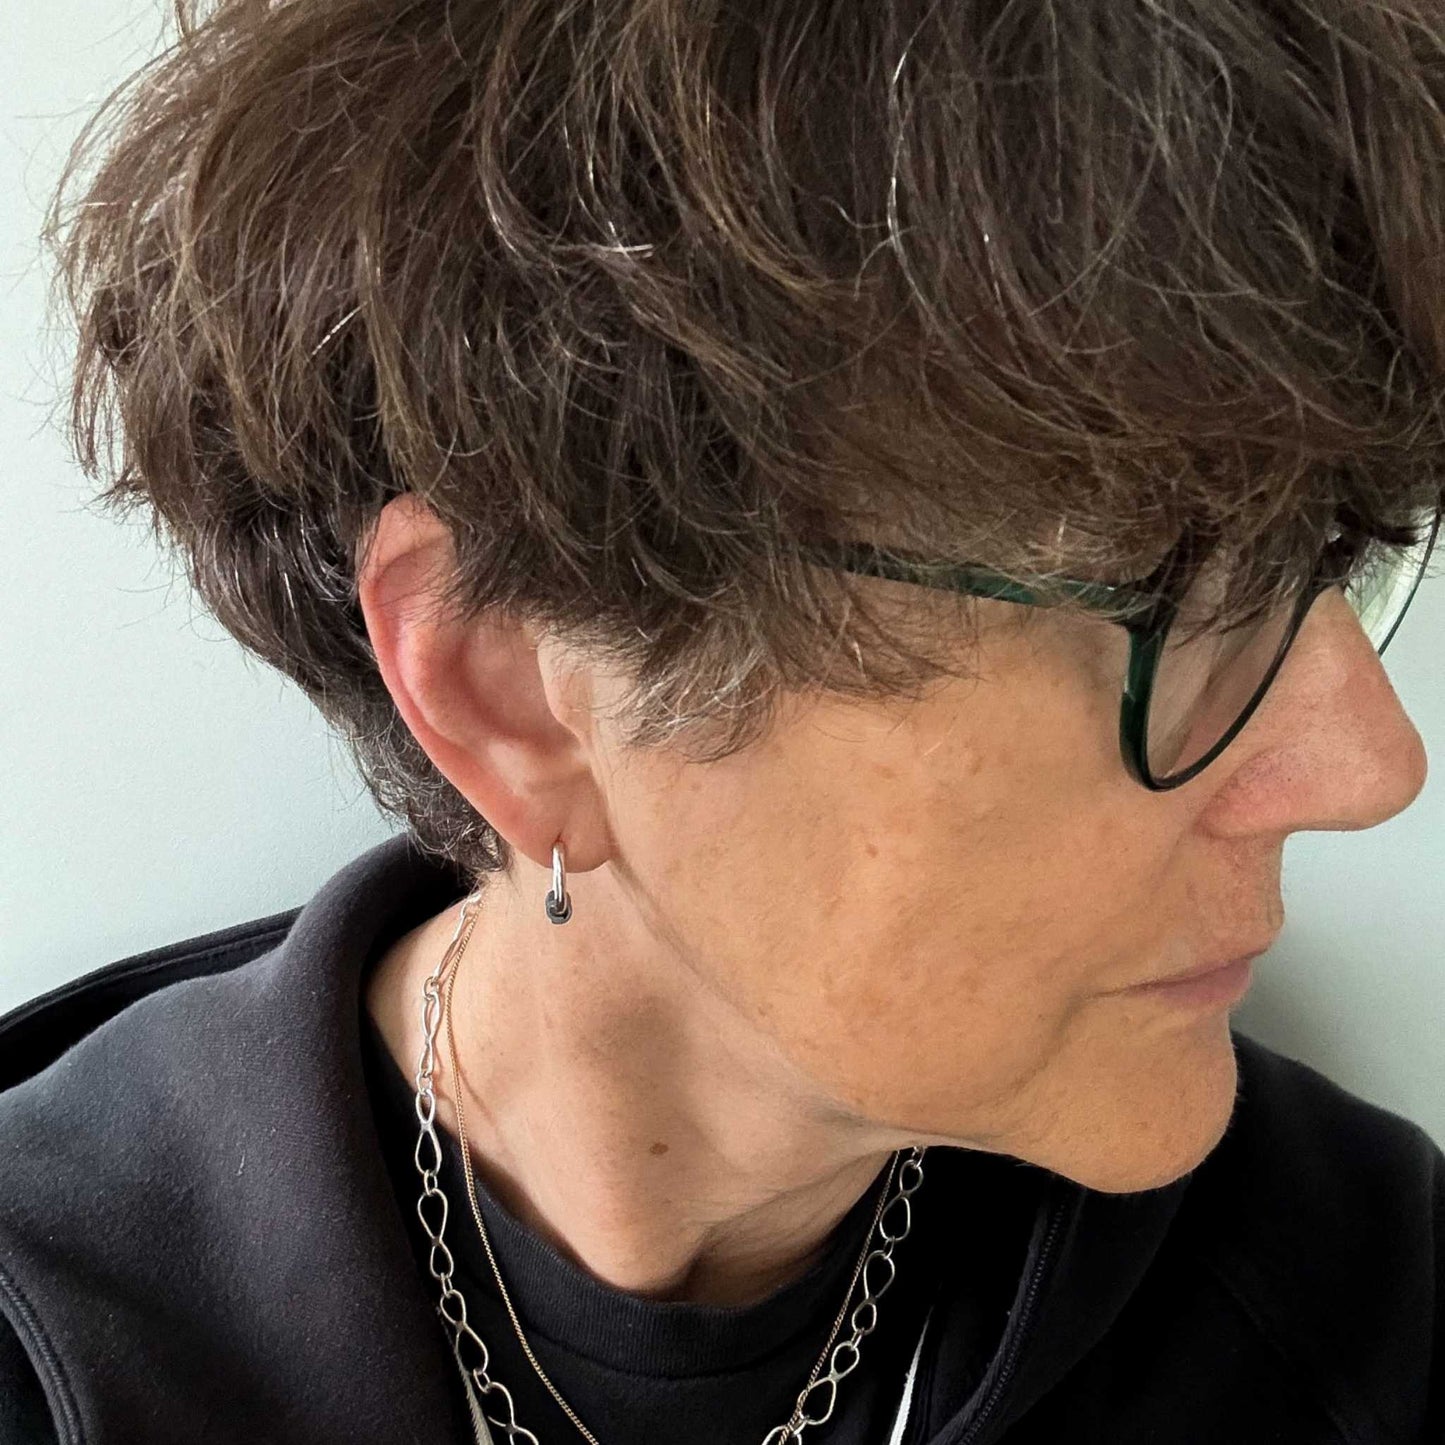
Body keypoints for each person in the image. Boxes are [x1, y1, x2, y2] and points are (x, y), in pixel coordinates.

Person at [3, 0, 1444, 1440]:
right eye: (1166, 597)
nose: (1369, 764)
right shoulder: (59, 1346)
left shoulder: (1358, 1302)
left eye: (1328, 557)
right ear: (518, 695)